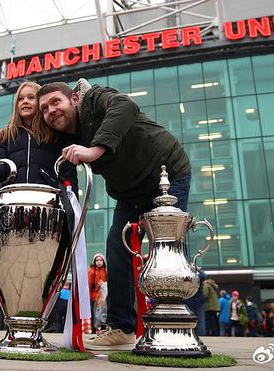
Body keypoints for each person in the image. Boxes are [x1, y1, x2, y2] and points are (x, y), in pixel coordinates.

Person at [37, 79, 191, 350]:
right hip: (129, 193)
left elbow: (126, 105)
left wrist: (94, 151)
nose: (51, 111)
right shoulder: (67, 138)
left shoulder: (95, 98)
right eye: (45, 108)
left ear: (73, 99)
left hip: (167, 174)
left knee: (168, 250)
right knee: (117, 248)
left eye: (55, 102)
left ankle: (179, 325)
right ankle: (122, 328)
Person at [0, 81, 77, 189]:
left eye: (31, 97)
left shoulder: (55, 133)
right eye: (20, 98)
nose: (25, 101)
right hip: (12, 197)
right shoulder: (7, 135)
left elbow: (67, 173)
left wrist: (72, 201)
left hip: (47, 198)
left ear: (41, 103)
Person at [88, 253, 107, 333]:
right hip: (94, 296)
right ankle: (93, 329)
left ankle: (103, 328)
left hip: (104, 296)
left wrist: (104, 283)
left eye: (100, 260)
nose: (99, 262)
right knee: (94, 313)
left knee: (103, 312)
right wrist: (89, 296)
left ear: (103, 261)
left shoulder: (106, 271)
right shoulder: (91, 271)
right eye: (97, 260)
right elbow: (89, 284)